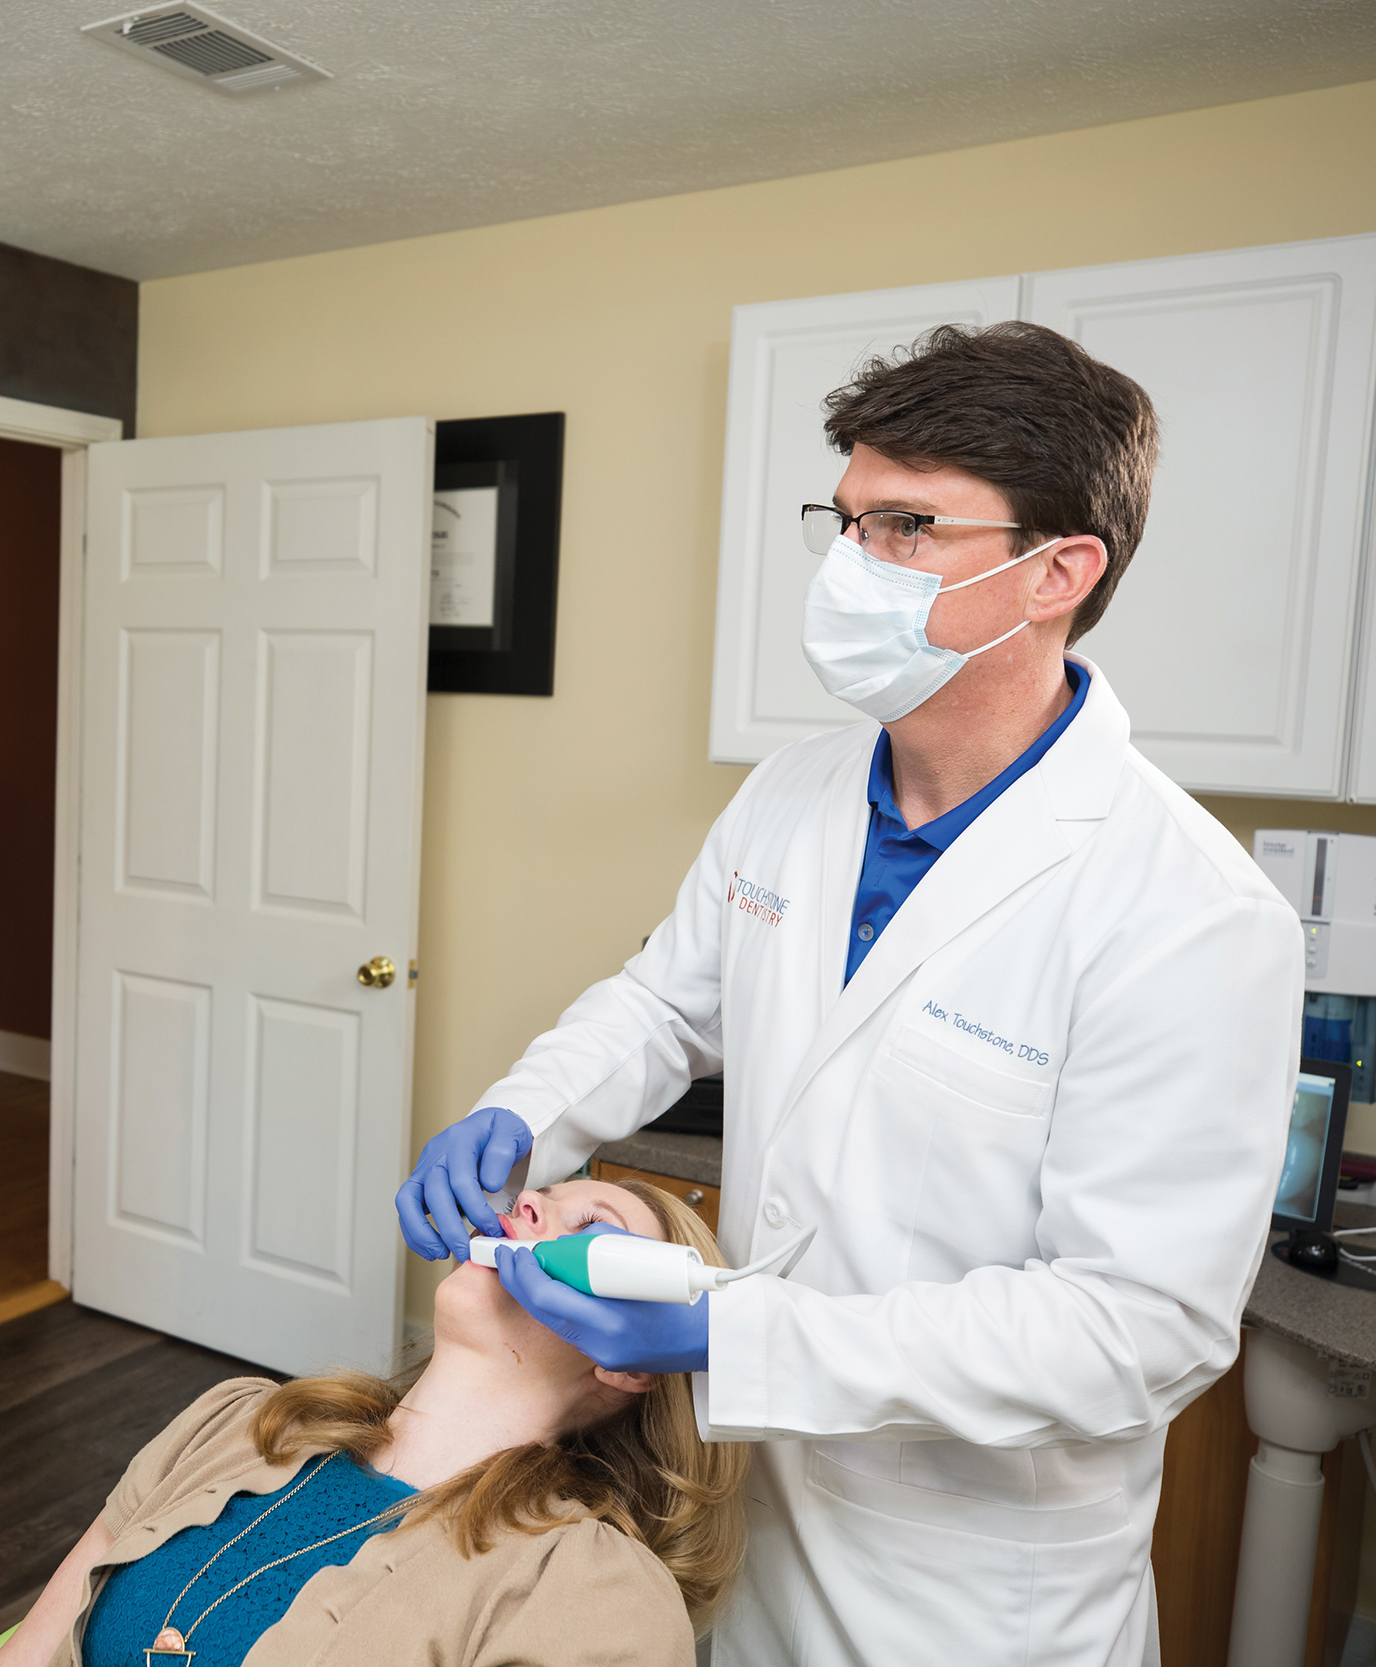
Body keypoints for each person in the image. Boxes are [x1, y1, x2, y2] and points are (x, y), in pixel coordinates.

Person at [397, 322, 1305, 1666]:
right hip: (747, 1515)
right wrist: (525, 1112)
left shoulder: (1185, 906)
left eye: (906, 527)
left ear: (1057, 570)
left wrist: (731, 1329)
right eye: (846, 519)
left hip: (970, 1583)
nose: (850, 563)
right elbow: (664, 1003)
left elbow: (1137, 1325)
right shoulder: (796, 791)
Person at [0, 1178, 749, 1667]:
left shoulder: (594, 1595)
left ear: (631, 1360)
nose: (524, 1204)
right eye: (538, 1193)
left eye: (589, 1223)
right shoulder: (240, 1422)